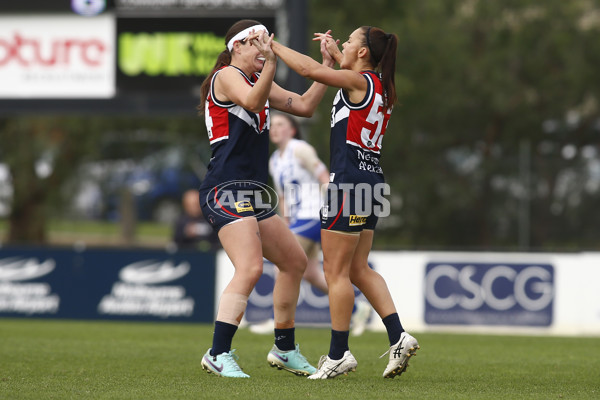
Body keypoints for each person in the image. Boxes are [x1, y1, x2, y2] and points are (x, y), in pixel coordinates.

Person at [266, 26, 420, 379]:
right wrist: (336, 53)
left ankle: (338, 354)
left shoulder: (356, 81)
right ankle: (398, 336)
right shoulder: (378, 85)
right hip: (373, 183)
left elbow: (306, 70)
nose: (344, 44)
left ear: (364, 53)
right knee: (359, 269)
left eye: (351, 41)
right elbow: (343, 71)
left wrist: (273, 46)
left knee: (335, 273)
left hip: (347, 184)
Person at [197, 19, 336, 378]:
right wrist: (272, 62)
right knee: (251, 267)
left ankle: (285, 348)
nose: (263, 48)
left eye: (265, 42)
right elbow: (251, 99)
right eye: (256, 42)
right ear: (237, 47)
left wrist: (329, 70)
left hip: (253, 193)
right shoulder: (227, 76)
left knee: (294, 262)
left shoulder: (260, 81)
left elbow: (305, 106)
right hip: (225, 188)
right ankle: (217, 352)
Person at [249, 112, 372, 336]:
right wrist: (285, 222)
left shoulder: (300, 149)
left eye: (280, 124)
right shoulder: (274, 160)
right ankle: (358, 308)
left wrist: (335, 201)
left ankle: (276, 319)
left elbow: (323, 174)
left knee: (281, 264)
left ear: (292, 129)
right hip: (299, 219)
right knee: (311, 274)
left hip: (314, 214)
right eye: (272, 125)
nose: (274, 128)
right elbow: (282, 195)